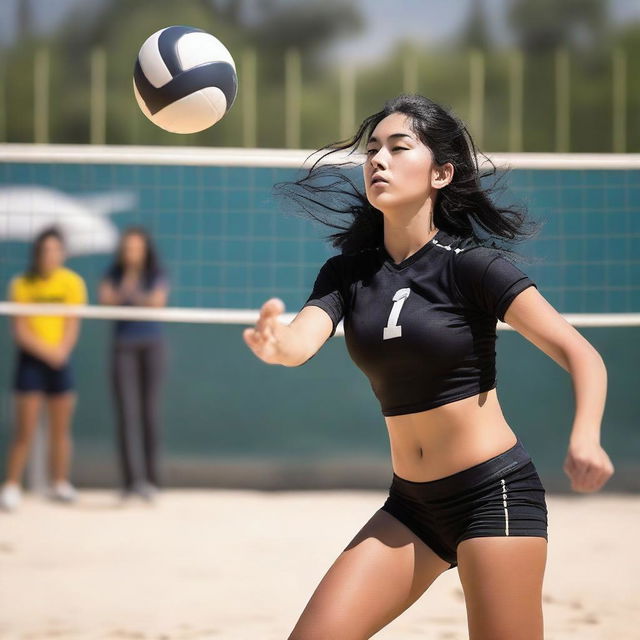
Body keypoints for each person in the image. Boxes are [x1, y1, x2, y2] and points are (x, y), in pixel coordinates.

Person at [243, 95, 614, 640]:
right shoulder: (348, 273)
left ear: (441, 172)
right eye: (371, 151)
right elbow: (299, 344)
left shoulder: (472, 267)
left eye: (397, 148)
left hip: (495, 495)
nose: (377, 161)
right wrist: (273, 344)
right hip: (412, 506)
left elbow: (583, 354)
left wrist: (586, 437)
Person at [0, 226, 87, 512]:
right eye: (44, 250)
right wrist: (47, 352)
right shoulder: (22, 283)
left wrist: (60, 351)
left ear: (63, 254)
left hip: (61, 359)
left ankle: (60, 482)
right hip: (32, 361)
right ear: (37, 254)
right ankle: (12, 485)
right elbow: (20, 330)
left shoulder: (72, 283)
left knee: (61, 429)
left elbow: (72, 324)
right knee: (25, 430)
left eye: (55, 250)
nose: (49, 255)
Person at [98, 226, 169, 502]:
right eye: (128, 248)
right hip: (122, 347)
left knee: (149, 414)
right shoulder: (114, 274)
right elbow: (106, 299)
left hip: (151, 346)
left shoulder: (156, 273)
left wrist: (132, 296)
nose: (132, 253)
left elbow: (156, 302)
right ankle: (130, 483)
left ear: (145, 250)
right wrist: (128, 284)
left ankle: (151, 481)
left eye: (136, 248)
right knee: (126, 414)